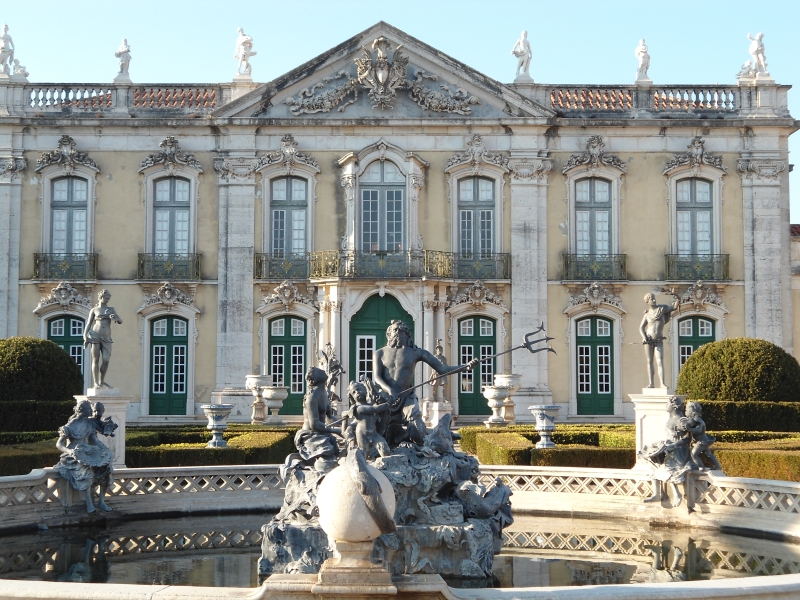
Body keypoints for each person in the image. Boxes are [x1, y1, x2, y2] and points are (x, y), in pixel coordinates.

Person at [373, 320, 478, 446]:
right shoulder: (379, 353)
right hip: (387, 398)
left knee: (417, 432)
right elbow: (377, 377)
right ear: (389, 333)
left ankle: (439, 435)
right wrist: (389, 390)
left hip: (407, 398)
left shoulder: (416, 352)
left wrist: (465, 367)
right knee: (377, 430)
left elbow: (442, 369)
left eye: (401, 331)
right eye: (395, 330)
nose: (398, 333)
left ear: (407, 334)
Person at [54, 400, 115, 514]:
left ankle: (101, 502)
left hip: (89, 453)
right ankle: (89, 504)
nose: (92, 411)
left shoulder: (89, 424)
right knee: (87, 473)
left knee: (107, 469)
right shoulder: (70, 425)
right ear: (82, 410)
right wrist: (70, 451)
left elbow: (95, 441)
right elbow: (59, 444)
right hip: (72, 456)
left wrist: (105, 449)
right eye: (89, 409)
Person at [295, 366, 340, 473]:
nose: (321, 369)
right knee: (328, 455)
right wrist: (336, 430)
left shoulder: (324, 393)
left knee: (339, 450)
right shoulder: (312, 397)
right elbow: (314, 424)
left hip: (322, 433)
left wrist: (346, 424)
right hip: (311, 435)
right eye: (316, 370)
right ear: (314, 379)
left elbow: (329, 419)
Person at [639, 292, 679, 388]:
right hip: (649, 340)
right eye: (651, 299)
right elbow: (641, 327)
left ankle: (662, 383)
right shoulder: (647, 315)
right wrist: (644, 337)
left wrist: (678, 299)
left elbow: (674, 307)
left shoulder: (662, 309)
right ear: (647, 302)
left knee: (660, 361)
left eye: (654, 298)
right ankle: (651, 383)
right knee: (650, 361)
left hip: (658, 340)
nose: (654, 300)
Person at [84, 290, 122, 389]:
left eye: (109, 298)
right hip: (95, 335)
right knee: (95, 360)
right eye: (106, 298)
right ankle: (96, 382)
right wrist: (85, 336)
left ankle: (102, 381)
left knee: (106, 360)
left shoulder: (111, 309)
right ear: (101, 297)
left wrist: (115, 318)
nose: (108, 300)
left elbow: (120, 321)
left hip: (106, 338)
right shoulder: (94, 310)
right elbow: (88, 324)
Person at [345, 380, 390, 459]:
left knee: (385, 450)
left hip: (374, 433)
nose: (357, 393)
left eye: (358, 389)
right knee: (364, 454)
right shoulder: (359, 408)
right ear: (352, 397)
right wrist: (388, 404)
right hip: (362, 434)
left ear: (365, 390)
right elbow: (374, 409)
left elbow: (375, 405)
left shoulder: (369, 404)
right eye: (354, 392)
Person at [682, 402, 722, 471]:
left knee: (693, 454)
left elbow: (698, 430)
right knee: (708, 454)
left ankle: (700, 466)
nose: (685, 412)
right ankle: (717, 465)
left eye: (687, 410)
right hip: (703, 440)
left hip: (701, 441)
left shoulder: (697, 419)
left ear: (692, 412)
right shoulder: (695, 419)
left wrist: (689, 429)